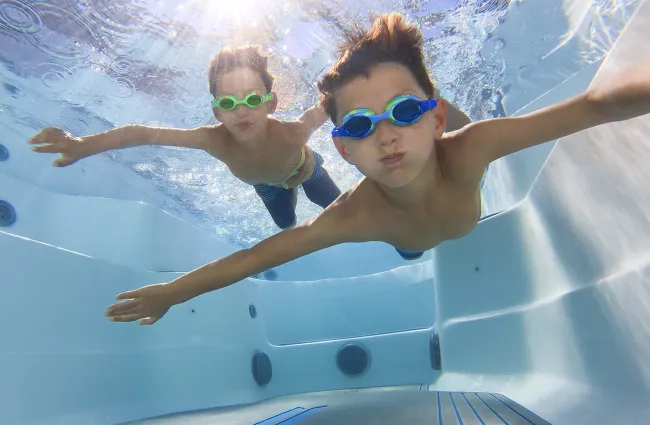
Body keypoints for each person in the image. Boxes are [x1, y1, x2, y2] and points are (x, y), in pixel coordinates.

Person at [105, 12, 650, 325]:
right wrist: (170, 293)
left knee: (463, 132)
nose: (386, 136)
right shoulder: (352, 215)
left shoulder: (471, 147)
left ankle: (433, 98)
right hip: (410, 230)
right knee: (413, 245)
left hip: (456, 172)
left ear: (431, 121)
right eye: (361, 127)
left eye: (404, 113)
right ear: (342, 150)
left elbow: (595, 107)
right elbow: (255, 257)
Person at [28, 45, 341, 230]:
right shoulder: (213, 139)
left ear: (271, 104)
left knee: (338, 207)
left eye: (253, 99)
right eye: (229, 103)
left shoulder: (293, 131)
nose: (241, 111)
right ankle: (289, 192)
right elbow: (145, 134)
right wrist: (84, 144)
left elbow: (330, 100)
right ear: (217, 112)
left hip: (305, 167)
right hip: (265, 185)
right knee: (285, 225)